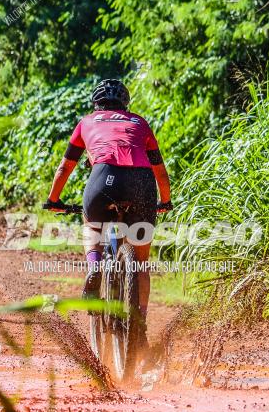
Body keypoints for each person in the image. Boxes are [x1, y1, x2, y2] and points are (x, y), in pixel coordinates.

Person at [43, 78, 172, 325]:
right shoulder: (139, 122)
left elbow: (65, 167)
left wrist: (54, 199)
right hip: (142, 182)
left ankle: (94, 266)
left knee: (92, 225)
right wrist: (165, 201)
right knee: (141, 263)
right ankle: (140, 322)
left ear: (96, 104)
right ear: (125, 104)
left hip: (103, 177)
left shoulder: (86, 122)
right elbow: (160, 171)